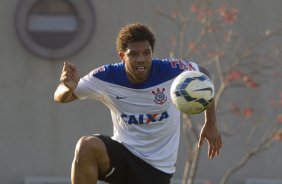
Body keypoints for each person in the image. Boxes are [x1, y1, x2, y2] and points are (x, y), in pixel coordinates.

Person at [54, 22, 222, 184]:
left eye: (146, 53)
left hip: (157, 169)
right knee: (86, 146)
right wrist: (67, 87)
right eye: (133, 54)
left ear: (152, 53)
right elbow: (61, 97)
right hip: (123, 156)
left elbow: (203, 73)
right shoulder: (107, 76)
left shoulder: (170, 70)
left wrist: (210, 122)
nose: (141, 59)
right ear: (122, 56)